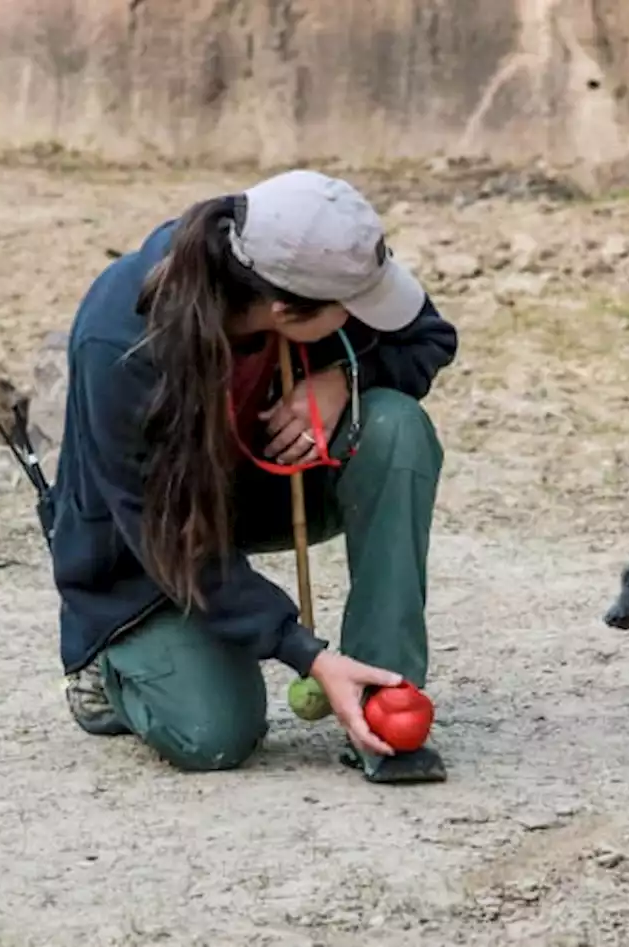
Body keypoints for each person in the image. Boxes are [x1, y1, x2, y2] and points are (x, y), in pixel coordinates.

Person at [47, 169, 457, 784]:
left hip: (260, 489)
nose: (364, 315)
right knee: (215, 734)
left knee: (396, 426)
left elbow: (429, 336)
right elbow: (166, 535)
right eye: (350, 310)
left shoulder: (312, 258)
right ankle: (107, 672)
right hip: (152, 540)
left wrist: (344, 378)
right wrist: (305, 654)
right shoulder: (122, 342)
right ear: (284, 310)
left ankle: (383, 698)